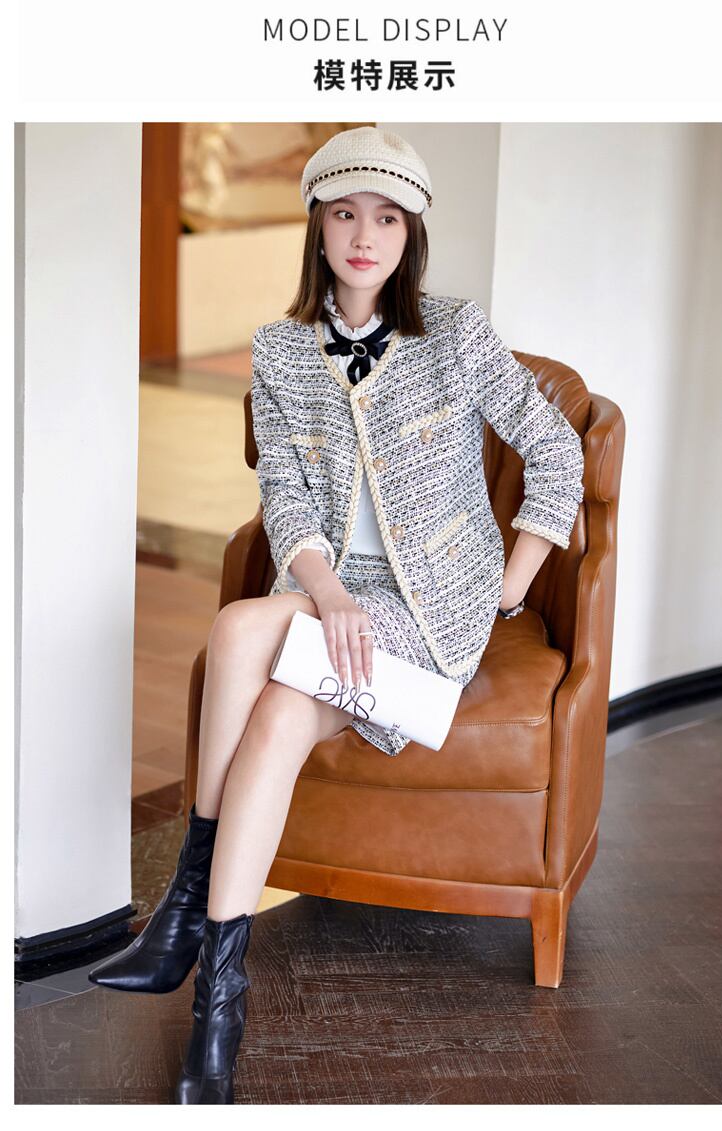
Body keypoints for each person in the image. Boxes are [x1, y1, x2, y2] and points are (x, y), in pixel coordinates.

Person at [88, 126, 585, 1103]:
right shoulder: (280, 351)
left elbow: (557, 448)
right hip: (331, 597)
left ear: (411, 234)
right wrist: (329, 594)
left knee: (243, 638)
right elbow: (286, 501)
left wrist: (514, 582)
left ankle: (183, 916)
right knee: (267, 690)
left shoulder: (456, 335)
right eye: (346, 214)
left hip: (432, 617)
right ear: (317, 227)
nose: (364, 236)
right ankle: (217, 1003)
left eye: (387, 217)